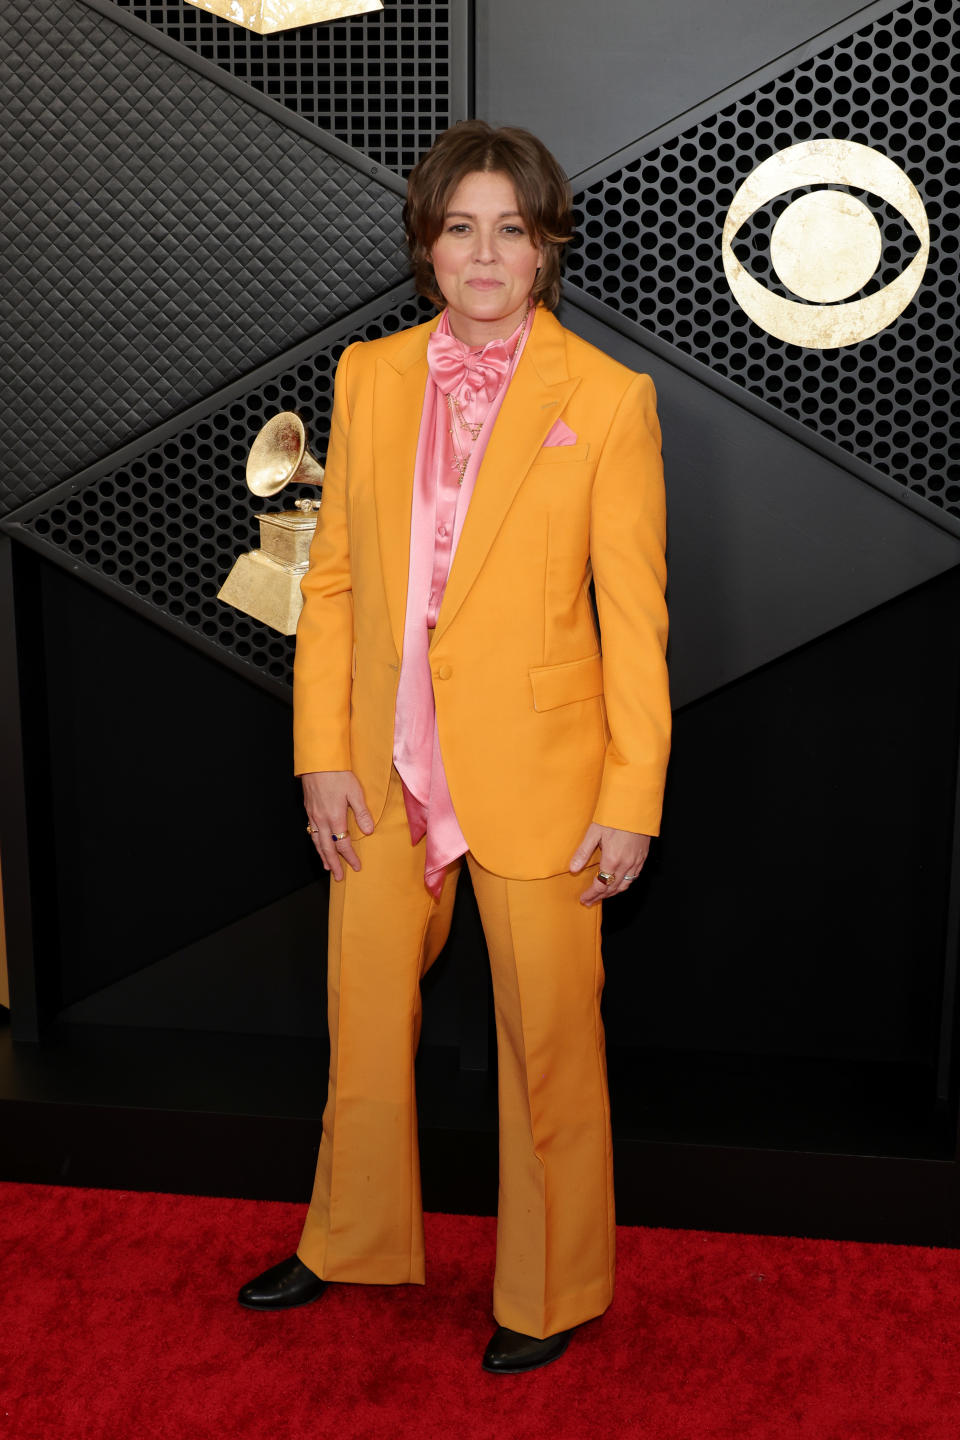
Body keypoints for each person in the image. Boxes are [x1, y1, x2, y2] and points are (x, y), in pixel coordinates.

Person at [238, 120, 671, 1375]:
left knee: (550, 1046)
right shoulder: (368, 377)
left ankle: (551, 1291)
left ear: (544, 248)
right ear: (429, 245)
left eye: (510, 230)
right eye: (460, 226)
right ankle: (351, 1236)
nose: (484, 253)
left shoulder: (608, 399)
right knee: (362, 1020)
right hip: (377, 771)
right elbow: (332, 588)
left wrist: (630, 799)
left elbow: (635, 621)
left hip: (542, 779)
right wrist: (321, 753)